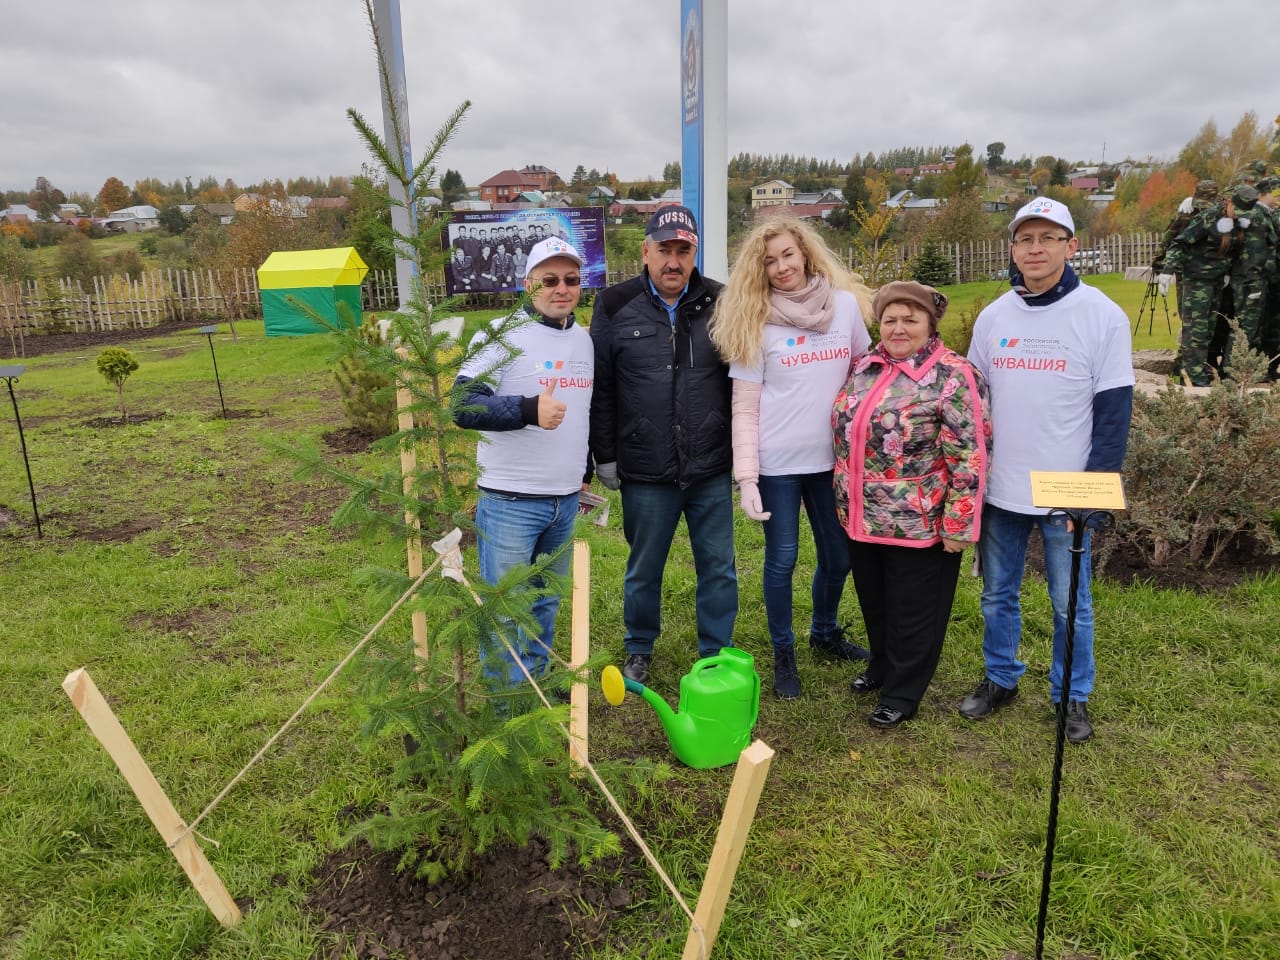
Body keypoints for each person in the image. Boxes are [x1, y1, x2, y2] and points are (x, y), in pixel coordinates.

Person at [961, 197, 1134, 744]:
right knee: (997, 595)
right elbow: (974, 403)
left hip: (1066, 492)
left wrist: (1093, 494)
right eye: (1024, 240)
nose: (1034, 249)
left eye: (1047, 238)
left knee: (1070, 603)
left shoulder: (1102, 315)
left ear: (1070, 246)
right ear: (1012, 248)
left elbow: (1114, 414)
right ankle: (1001, 677)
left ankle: (1071, 694)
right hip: (1001, 489)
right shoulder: (994, 317)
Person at [709, 216, 872, 699]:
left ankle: (823, 631)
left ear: (805, 254)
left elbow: (866, 373)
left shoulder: (843, 309)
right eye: (769, 261)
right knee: (782, 560)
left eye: (787, 255)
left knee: (839, 555)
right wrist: (747, 478)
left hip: (833, 463)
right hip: (778, 464)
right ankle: (784, 654)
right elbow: (744, 406)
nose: (781, 267)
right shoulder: (754, 319)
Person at [589, 204, 736, 685]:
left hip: (710, 462)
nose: (673, 261)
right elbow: (603, 386)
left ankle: (714, 651)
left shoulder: (723, 301)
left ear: (695, 254)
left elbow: (743, 381)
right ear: (645, 251)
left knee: (717, 566)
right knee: (644, 566)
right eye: (664, 250)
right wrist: (606, 455)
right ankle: (638, 646)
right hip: (645, 465)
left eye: (683, 250)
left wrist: (743, 454)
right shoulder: (613, 305)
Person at [833, 282, 990, 727]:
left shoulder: (954, 375)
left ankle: (903, 692)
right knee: (876, 600)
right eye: (890, 320)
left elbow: (971, 454)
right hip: (862, 516)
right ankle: (882, 666)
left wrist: (960, 524)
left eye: (910, 319)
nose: (898, 328)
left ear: (929, 324)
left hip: (920, 522)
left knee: (914, 610)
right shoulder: (865, 366)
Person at [452, 237, 593, 688]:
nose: (561, 288)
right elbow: (462, 404)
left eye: (570, 279)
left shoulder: (584, 340)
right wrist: (528, 410)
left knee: (545, 607)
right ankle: (504, 710)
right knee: (507, 612)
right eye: (549, 280)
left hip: (565, 503)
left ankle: (532, 701)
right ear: (527, 283)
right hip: (511, 500)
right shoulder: (499, 334)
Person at [1163, 191, 1242, 384]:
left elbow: (1232, 249)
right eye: (1237, 208)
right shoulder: (1208, 218)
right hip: (1197, 280)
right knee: (1195, 331)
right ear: (1228, 202)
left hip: (1216, 281)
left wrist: (1226, 272)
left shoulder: (1238, 221)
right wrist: (1167, 270)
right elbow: (1180, 243)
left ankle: (1197, 370)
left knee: (1208, 329)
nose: (1239, 213)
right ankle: (1192, 376)